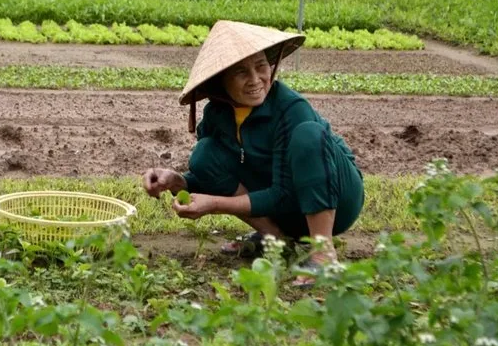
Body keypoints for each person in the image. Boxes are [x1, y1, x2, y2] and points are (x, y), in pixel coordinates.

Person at [142, 20, 364, 287]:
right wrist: (177, 182)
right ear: (220, 80)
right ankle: (275, 238)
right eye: (241, 72)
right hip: (285, 206)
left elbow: (281, 194)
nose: (256, 79)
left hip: (336, 198)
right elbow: (213, 174)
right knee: (204, 154)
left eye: (261, 66)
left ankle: (323, 252)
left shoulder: (292, 108)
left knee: (309, 134)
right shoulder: (216, 115)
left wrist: (214, 205)